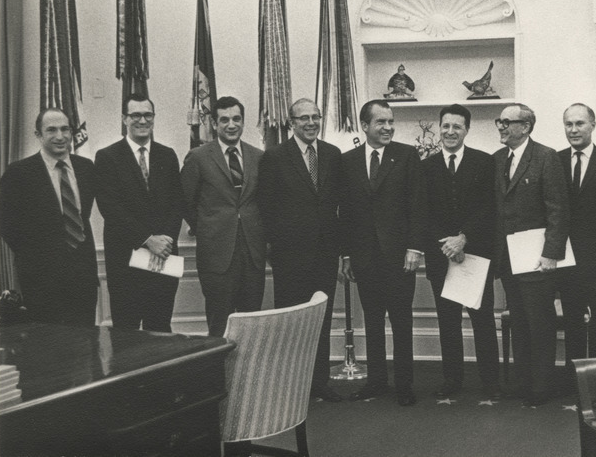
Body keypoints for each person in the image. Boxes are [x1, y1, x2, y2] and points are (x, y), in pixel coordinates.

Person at [340, 99, 427, 406]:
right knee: (373, 322)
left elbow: (418, 205)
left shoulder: (407, 156)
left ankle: (404, 384)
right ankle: (376, 381)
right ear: (365, 126)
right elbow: (346, 212)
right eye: (381, 122)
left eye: (391, 121)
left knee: (402, 322)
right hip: (365, 258)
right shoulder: (347, 160)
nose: (388, 127)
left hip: (400, 257)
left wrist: (415, 248)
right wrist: (347, 255)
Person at [258, 98, 343, 403]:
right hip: (290, 257)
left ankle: (319, 383)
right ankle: (293, 387)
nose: (310, 122)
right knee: (293, 323)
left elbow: (337, 205)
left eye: (315, 117)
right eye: (303, 117)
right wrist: (275, 249)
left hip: (325, 254)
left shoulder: (333, 155)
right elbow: (266, 208)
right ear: (291, 123)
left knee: (320, 319)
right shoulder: (275, 157)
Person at [422, 104, 500, 400]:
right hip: (441, 256)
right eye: (445, 126)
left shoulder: (484, 162)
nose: (450, 132)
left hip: (476, 255)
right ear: (439, 128)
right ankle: (452, 380)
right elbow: (422, 212)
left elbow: (489, 208)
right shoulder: (425, 166)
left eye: (457, 126)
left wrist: (463, 239)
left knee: (482, 321)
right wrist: (446, 244)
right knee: (448, 322)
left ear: (467, 130)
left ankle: (490, 382)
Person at [493, 103, 569, 407]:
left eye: (507, 122)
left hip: (537, 258)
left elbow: (558, 210)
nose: (500, 126)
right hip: (508, 258)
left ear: (525, 127)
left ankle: (542, 385)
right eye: (500, 121)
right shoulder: (498, 159)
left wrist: (551, 253)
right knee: (521, 322)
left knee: (540, 322)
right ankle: (523, 382)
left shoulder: (546, 157)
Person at [0, 108, 98, 326]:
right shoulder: (19, 173)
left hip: (83, 280)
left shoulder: (86, 168)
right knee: (48, 350)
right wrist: (39, 258)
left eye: (65, 129)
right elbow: (6, 225)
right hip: (42, 282)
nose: (60, 136)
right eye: (51, 130)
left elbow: (83, 216)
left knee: (85, 349)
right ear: (38, 135)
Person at [94, 95, 184, 332]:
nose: (142, 120)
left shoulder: (168, 155)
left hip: (164, 259)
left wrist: (163, 242)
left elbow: (177, 203)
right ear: (124, 119)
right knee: (127, 334)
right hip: (125, 263)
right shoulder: (107, 157)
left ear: (153, 119)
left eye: (148, 115)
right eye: (135, 115)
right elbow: (111, 209)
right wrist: (147, 240)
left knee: (161, 329)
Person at [181, 96, 266, 337]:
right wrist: (208, 228)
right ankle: (219, 375)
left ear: (243, 121)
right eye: (225, 120)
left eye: (237, 119)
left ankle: (249, 376)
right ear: (214, 123)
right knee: (220, 325)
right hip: (216, 256)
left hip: (252, 254)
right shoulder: (198, 157)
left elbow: (263, 202)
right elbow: (186, 202)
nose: (231, 125)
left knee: (251, 324)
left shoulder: (258, 157)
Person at [557, 104, 596, 361]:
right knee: (572, 321)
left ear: (593, 125)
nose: (574, 129)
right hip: (564, 259)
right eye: (569, 124)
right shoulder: (553, 161)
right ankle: (572, 381)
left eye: (580, 123)